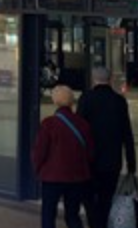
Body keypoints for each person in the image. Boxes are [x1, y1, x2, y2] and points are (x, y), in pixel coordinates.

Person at [76, 67, 137, 228]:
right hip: (112, 160)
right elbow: (127, 133)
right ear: (110, 79)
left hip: (89, 159)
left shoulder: (86, 98)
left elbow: (79, 128)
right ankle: (102, 223)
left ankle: (94, 224)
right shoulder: (119, 101)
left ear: (93, 79)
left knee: (89, 197)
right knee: (106, 198)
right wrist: (131, 162)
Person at [32, 85, 94, 228]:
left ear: (55, 101)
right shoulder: (83, 124)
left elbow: (39, 151)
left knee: (48, 214)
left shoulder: (48, 124)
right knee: (73, 215)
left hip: (52, 177)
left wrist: (38, 170)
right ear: (72, 102)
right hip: (77, 177)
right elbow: (90, 151)